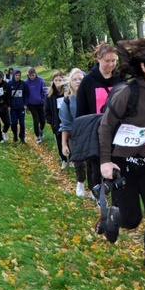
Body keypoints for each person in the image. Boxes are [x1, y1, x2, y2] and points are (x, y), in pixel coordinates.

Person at [98, 38, 145, 274]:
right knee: (132, 219)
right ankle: (113, 215)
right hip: (123, 163)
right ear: (143, 66)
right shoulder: (128, 93)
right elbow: (105, 126)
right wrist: (105, 161)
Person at [75, 43, 122, 203]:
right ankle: (101, 199)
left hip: (118, 132)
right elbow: (80, 114)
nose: (111, 64)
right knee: (97, 168)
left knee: (117, 165)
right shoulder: (87, 82)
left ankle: (117, 200)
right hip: (96, 133)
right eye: (107, 60)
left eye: (114, 61)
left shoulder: (120, 79)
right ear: (98, 58)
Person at [59, 68, 88, 197]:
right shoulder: (67, 101)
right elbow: (65, 124)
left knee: (93, 162)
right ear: (70, 82)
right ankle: (80, 183)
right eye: (74, 79)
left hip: (91, 133)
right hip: (74, 135)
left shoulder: (90, 98)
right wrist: (64, 144)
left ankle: (94, 187)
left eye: (80, 79)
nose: (77, 82)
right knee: (79, 161)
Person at [45, 71, 68, 168]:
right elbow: (46, 110)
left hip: (67, 121)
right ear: (53, 81)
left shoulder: (67, 93)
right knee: (59, 142)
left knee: (70, 140)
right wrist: (51, 121)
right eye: (56, 80)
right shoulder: (50, 95)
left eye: (60, 80)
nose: (58, 82)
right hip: (56, 122)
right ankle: (64, 159)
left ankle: (73, 159)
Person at [25, 67, 48, 144]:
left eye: (33, 75)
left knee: (43, 120)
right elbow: (25, 94)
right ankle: (38, 136)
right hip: (32, 104)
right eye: (30, 75)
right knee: (36, 120)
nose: (31, 77)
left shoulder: (40, 80)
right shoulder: (26, 82)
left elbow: (44, 91)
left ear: (35, 74)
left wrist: (42, 99)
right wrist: (26, 105)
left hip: (40, 103)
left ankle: (41, 130)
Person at [8, 68, 30, 144]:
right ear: (13, 75)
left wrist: (25, 104)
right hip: (13, 107)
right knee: (13, 123)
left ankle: (22, 138)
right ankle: (15, 135)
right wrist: (8, 105)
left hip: (21, 107)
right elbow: (7, 96)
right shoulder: (9, 84)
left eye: (19, 75)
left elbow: (26, 94)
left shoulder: (23, 84)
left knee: (22, 123)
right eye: (16, 75)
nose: (17, 77)